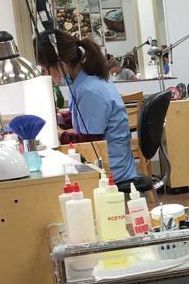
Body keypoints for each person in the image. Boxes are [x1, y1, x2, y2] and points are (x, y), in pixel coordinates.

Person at [35, 28, 138, 188]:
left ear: (62, 65)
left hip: (111, 169)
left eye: (45, 70)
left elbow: (89, 142)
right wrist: (61, 118)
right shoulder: (85, 80)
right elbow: (82, 115)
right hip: (112, 158)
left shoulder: (88, 90)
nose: (45, 74)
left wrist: (60, 134)